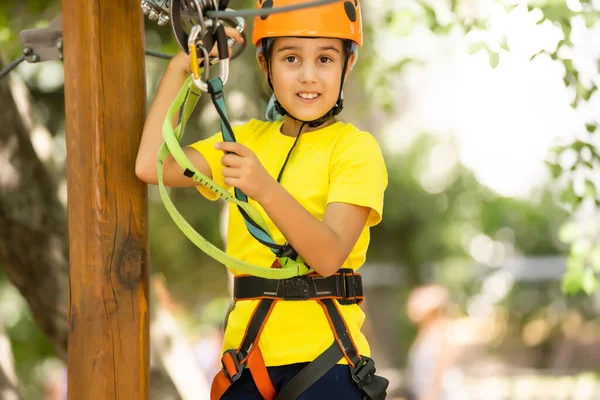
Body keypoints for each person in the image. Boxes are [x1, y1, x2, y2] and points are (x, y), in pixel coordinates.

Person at [135, 0, 388, 398]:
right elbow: (150, 166)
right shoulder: (244, 142)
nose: (308, 76)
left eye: (325, 58)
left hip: (327, 362)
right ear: (265, 64)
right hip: (247, 363)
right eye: (290, 58)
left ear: (347, 65)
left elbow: (327, 256)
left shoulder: (354, 149)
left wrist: (264, 188)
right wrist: (182, 67)